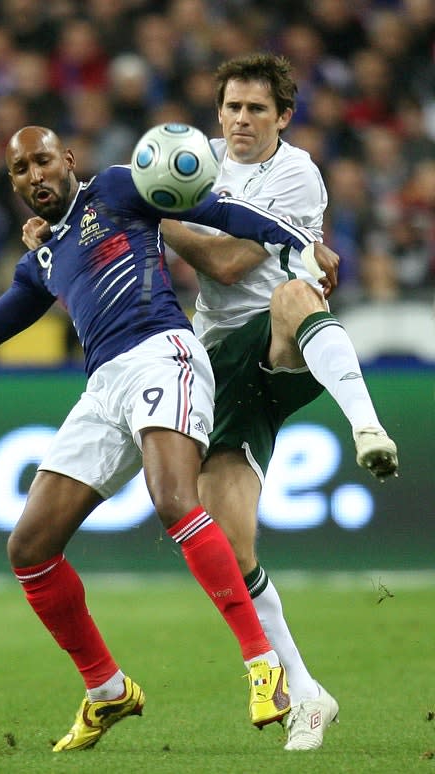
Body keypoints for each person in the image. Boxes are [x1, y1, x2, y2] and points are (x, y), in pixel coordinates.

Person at [0, 125, 327, 753]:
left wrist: (299, 243)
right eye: (18, 170)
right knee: (29, 546)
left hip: (160, 353)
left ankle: (263, 664)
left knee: (173, 498)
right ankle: (107, 689)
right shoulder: (40, 258)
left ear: (66, 160)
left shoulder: (120, 189)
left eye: (42, 160)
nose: (34, 175)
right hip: (103, 389)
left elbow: (217, 209)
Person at [159, 53, 399, 751]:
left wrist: (158, 219)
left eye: (256, 109)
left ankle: (367, 426)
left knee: (298, 294)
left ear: (283, 117)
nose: (240, 120)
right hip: (218, 366)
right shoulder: (193, 161)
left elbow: (232, 263)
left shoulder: (295, 173)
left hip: (279, 344)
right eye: (232, 106)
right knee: (230, 548)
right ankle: (308, 693)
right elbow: (126, 193)